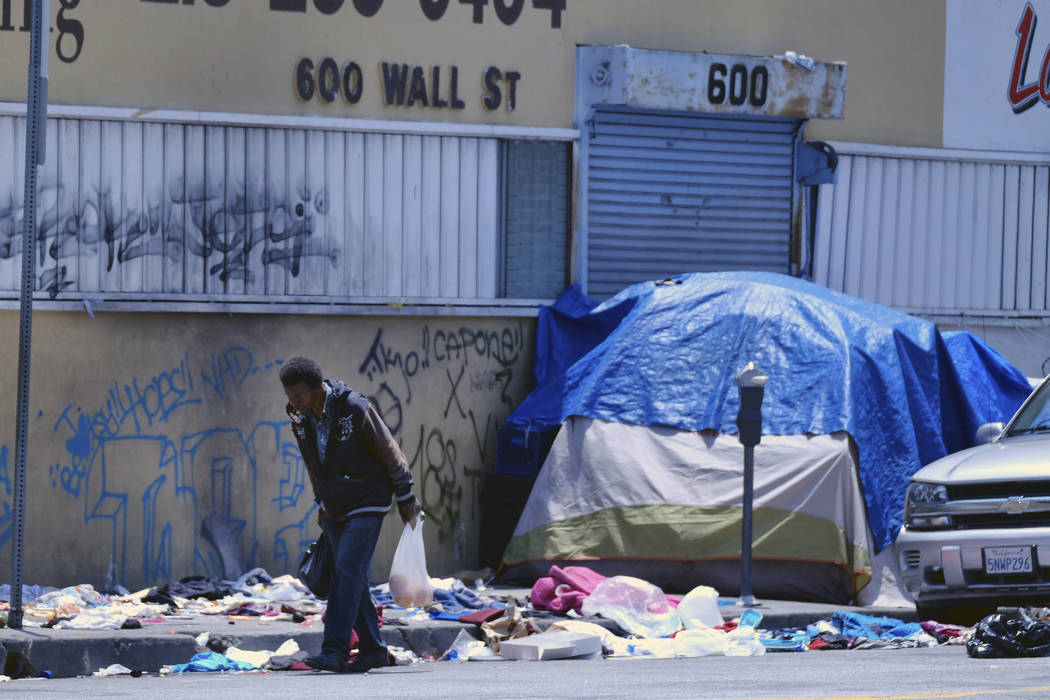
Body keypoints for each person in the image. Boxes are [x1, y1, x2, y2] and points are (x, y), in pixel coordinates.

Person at [280, 355, 422, 673]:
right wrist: (321, 502)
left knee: (347, 568)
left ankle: (335, 650)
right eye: (289, 396)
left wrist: (406, 496)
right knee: (349, 576)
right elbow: (312, 463)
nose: (294, 401)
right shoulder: (299, 417)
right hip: (334, 505)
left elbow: (389, 449)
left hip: (368, 498)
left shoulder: (354, 407)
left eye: (299, 395)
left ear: (317, 388)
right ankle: (372, 649)